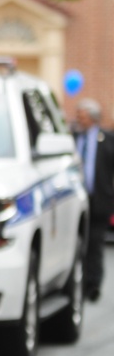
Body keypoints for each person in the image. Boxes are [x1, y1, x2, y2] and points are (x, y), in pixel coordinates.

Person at [72, 97, 114, 301]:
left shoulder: (107, 139)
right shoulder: (73, 138)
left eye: (82, 116)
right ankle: (75, 282)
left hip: (99, 201)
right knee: (77, 243)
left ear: (93, 118)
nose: (78, 119)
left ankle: (93, 284)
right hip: (75, 201)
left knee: (94, 244)